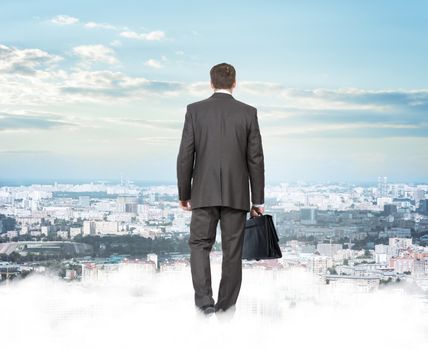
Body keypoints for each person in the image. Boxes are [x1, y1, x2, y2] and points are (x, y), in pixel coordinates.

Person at [176, 62, 265, 315]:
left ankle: (204, 304)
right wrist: (257, 199)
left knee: (200, 246)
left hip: (203, 193)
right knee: (232, 251)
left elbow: (185, 155)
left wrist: (184, 194)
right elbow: (255, 158)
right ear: (234, 83)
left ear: (211, 83)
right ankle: (226, 308)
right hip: (237, 195)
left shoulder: (195, 110)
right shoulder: (248, 113)